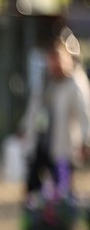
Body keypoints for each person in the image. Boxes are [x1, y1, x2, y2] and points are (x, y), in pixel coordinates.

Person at [19, 32, 90, 200]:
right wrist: (24, 128)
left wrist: (86, 141)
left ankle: (62, 222)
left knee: (62, 188)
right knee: (33, 186)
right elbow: (34, 109)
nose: (55, 63)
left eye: (58, 58)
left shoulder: (75, 83)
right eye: (51, 58)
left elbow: (84, 114)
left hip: (63, 147)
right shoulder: (45, 81)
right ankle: (35, 222)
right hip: (41, 143)